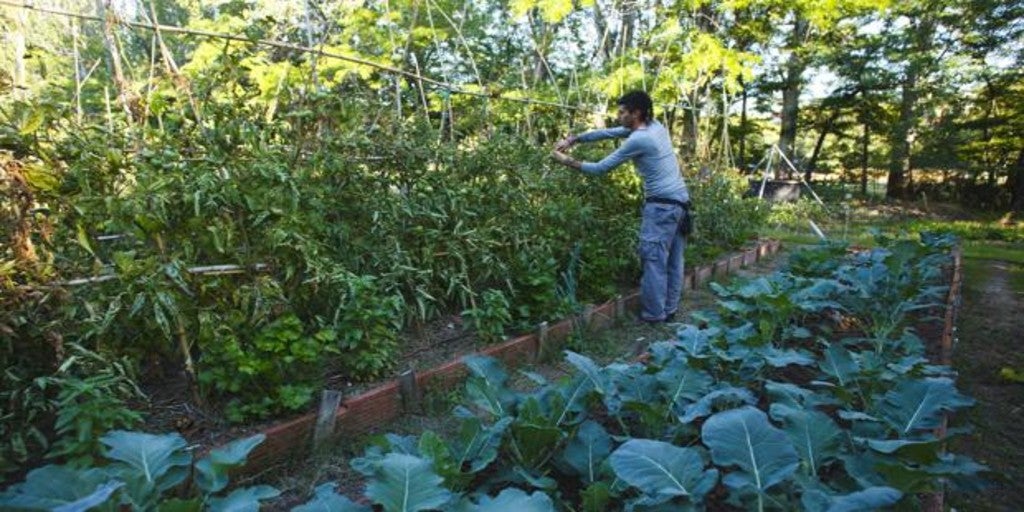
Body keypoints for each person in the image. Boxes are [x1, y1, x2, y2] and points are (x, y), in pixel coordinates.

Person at [551, 90, 691, 323]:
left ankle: (654, 316)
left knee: (654, 261)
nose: (618, 115)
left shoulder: (640, 139)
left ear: (636, 113)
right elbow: (609, 132)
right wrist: (574, 139)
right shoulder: (654, 126)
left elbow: (599, 169)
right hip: (680, 203)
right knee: (674, 261)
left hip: (662, 207)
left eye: (623, 112)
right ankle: (669, 310)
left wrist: (563, 159)